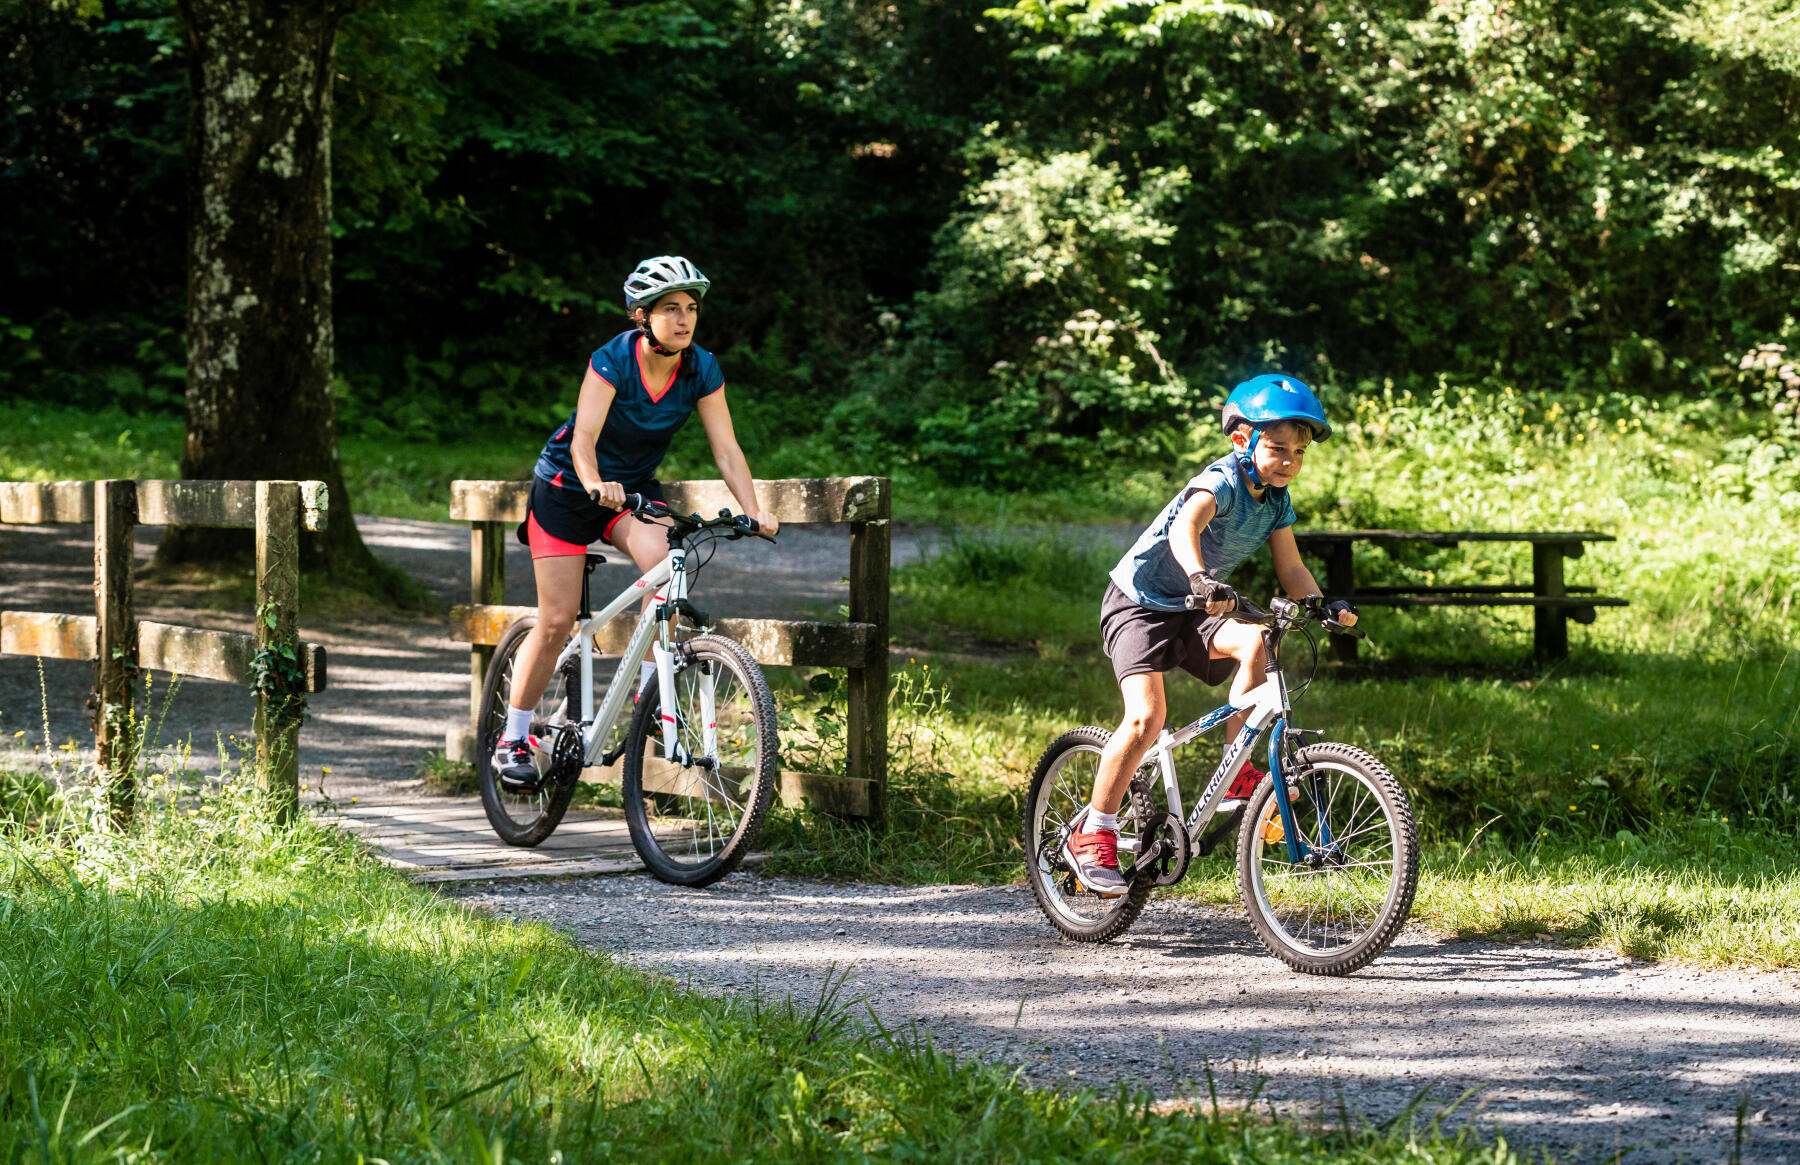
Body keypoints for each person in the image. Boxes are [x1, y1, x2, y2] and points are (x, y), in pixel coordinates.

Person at [1063, 374, 1358, 895]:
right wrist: (1200, 579)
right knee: (1147, 717)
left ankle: (1236, 769)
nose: (1289, 461)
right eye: (1277, 448)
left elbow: (1291, 569)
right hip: (1140, 604)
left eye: (1299, 452)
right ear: (1242, 440)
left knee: (1256, 642)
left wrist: (1320, 603)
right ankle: (1094, 832)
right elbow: (1185, 527)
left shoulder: (1275, 502)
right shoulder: (1219, 481)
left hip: (1193, 606)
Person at [490, 255, 778, 789]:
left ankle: (652, 701)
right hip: (569, 489)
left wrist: (753, 507)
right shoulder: (612, 359)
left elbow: (727, 448)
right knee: (554, 623)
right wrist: (596, 482)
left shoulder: (701, 367)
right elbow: (583, 439)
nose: (685, 318)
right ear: (641, 316)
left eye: (691, 308)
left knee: (668, 571)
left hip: (632, 494)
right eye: (671, 308)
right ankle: (514, 736)